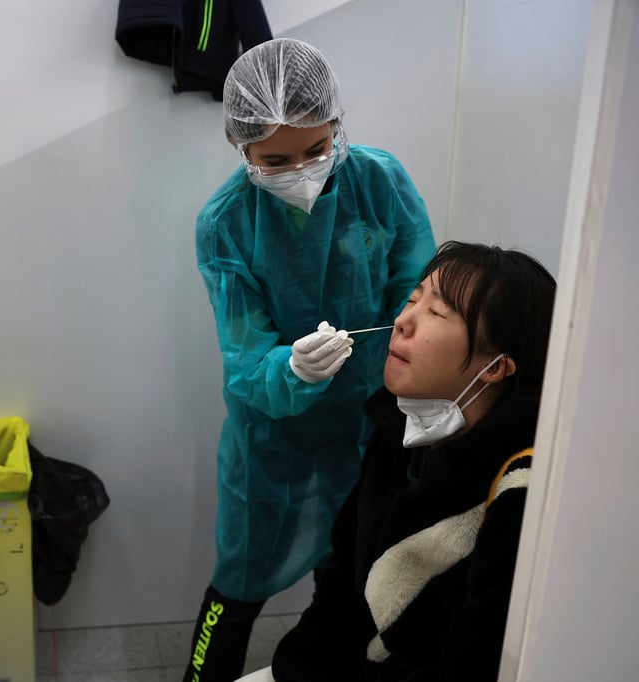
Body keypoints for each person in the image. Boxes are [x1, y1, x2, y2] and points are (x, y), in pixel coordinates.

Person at [184, 37, 437, 681]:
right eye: (275, 159)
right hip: (273, 441)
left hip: (372, 426)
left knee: (351, 575)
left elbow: (415, 297)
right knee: (239, 583)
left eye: (317, 149)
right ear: (242, 149)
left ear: (337, 126)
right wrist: (290, 370)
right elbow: (246, 359)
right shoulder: (225, 224)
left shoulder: (381, 182)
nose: (302, 169)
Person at [257, 241, 557, 681]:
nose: (402, 321)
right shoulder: (400, 430)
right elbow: (342, 580)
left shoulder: (520, 490)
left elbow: (474, 657)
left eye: (437, 313)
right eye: (412, 300)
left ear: (494, 367)